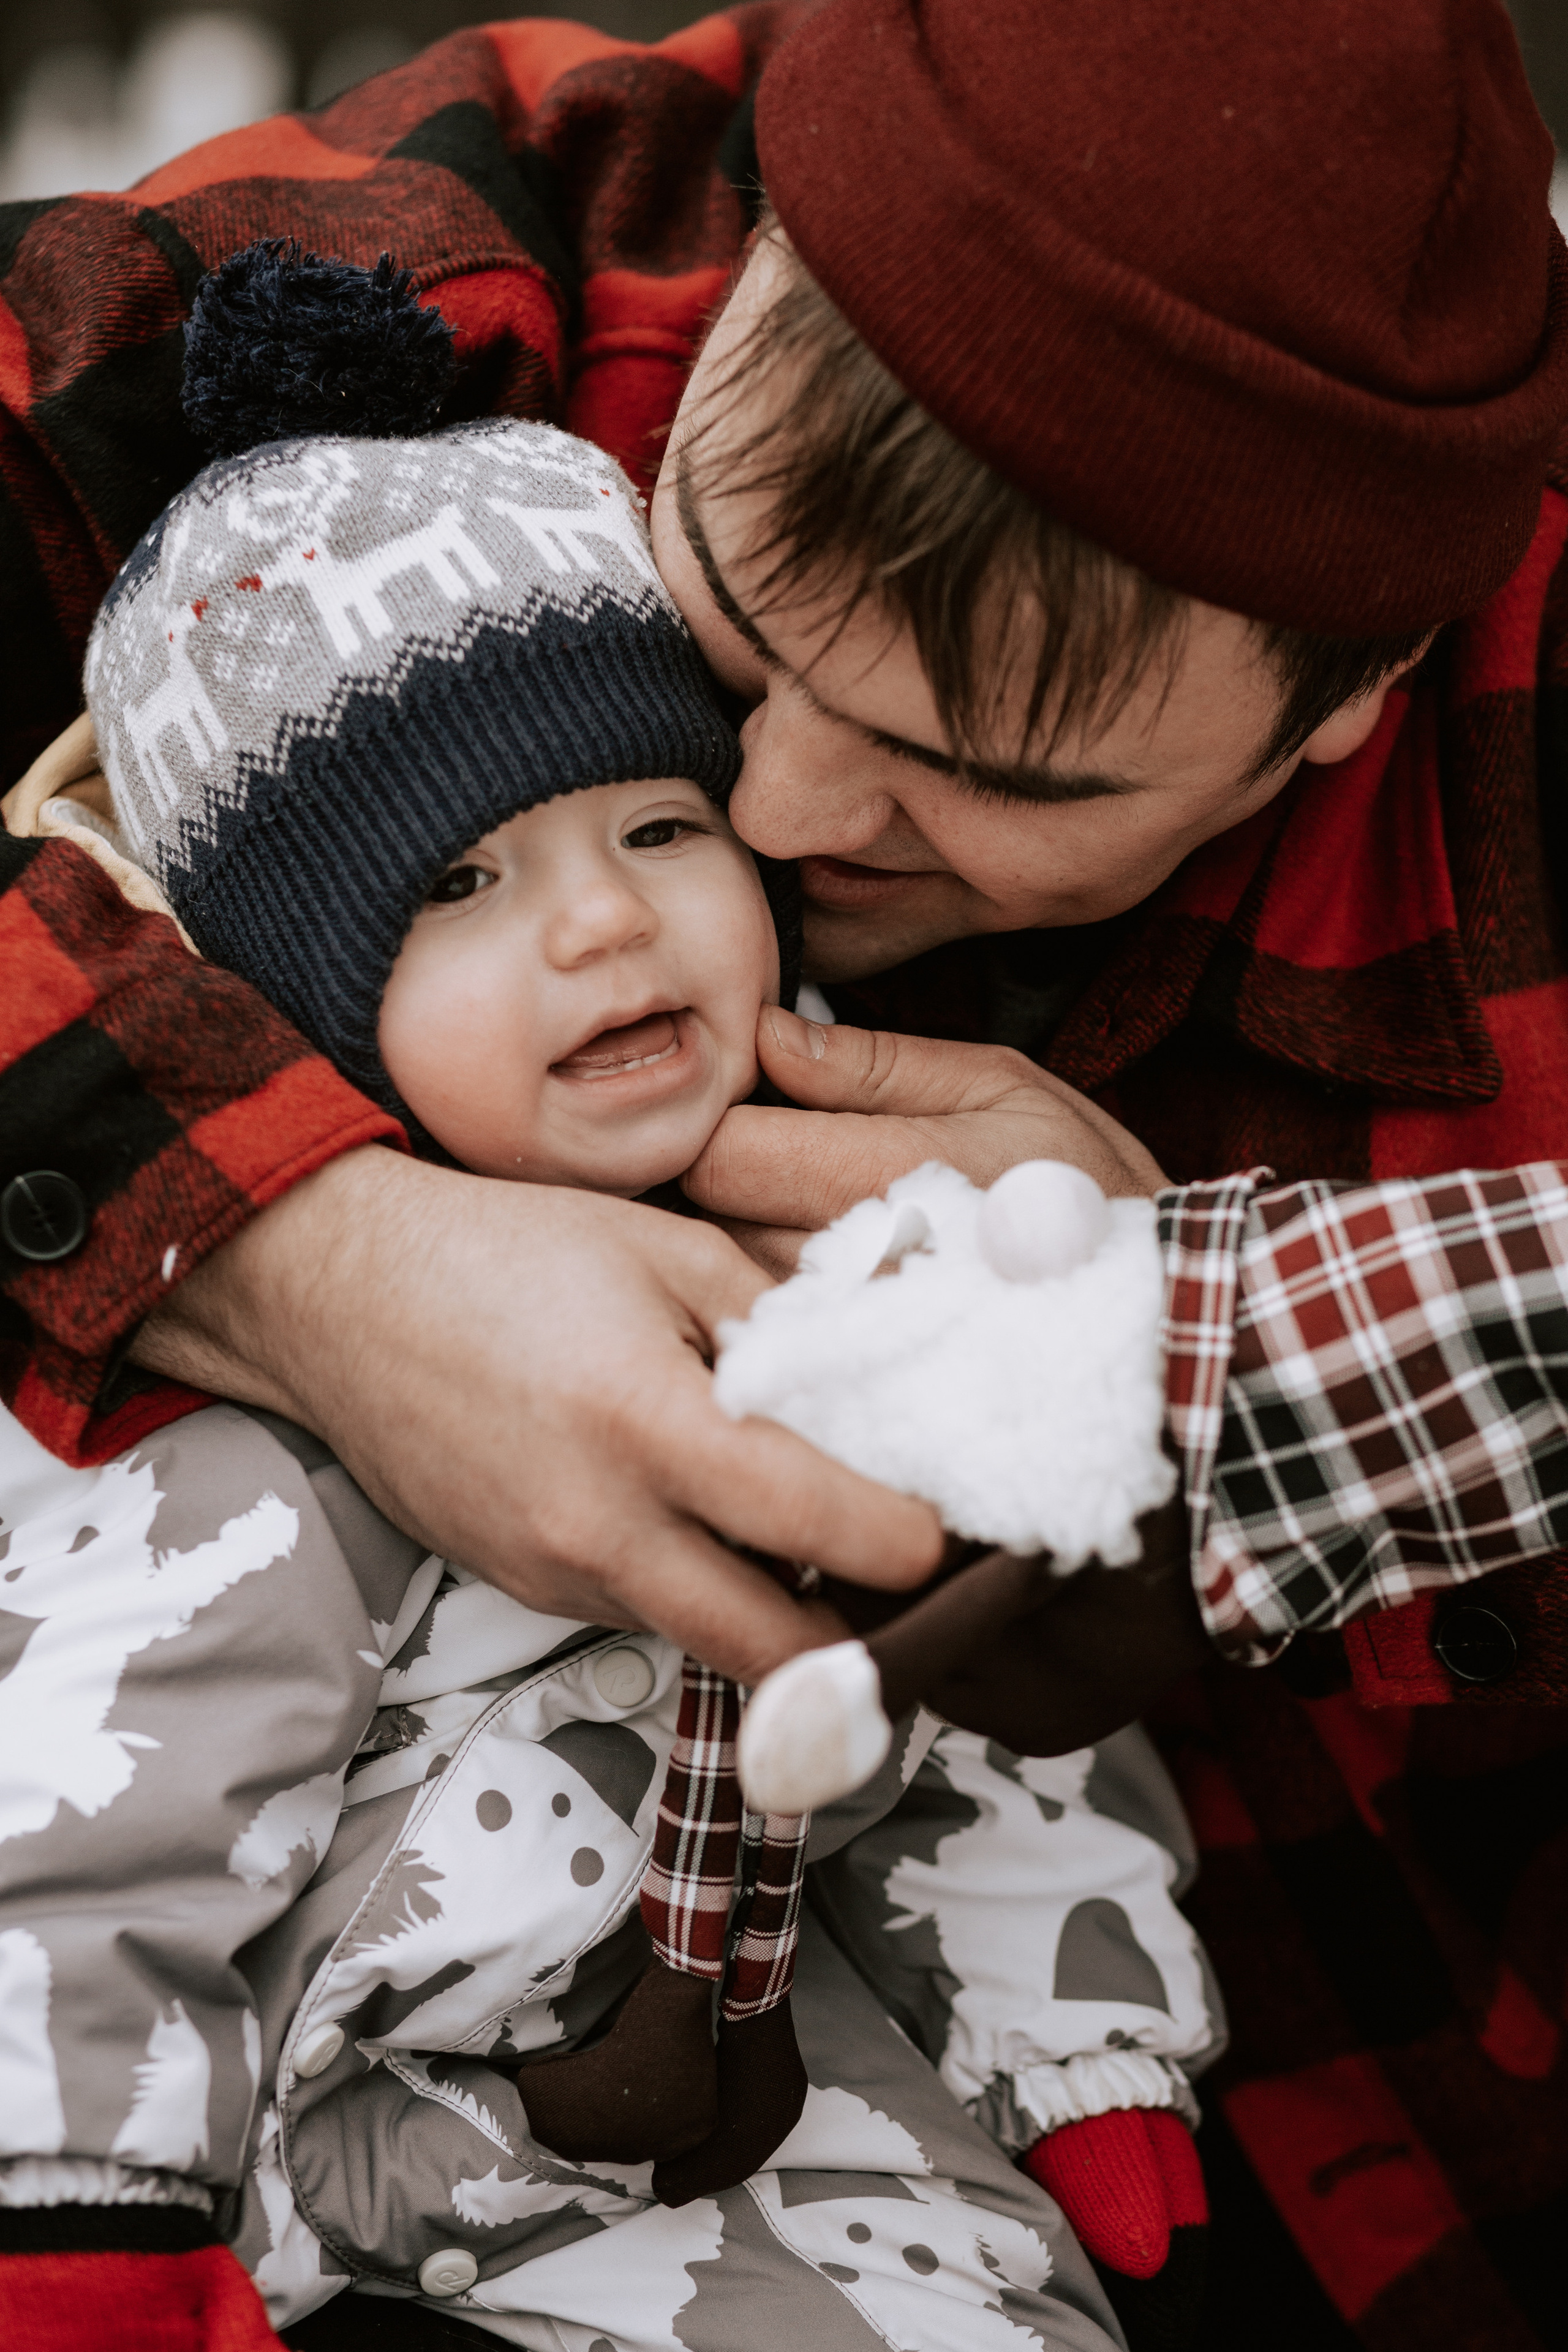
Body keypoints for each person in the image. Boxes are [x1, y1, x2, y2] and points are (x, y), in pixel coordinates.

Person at [0, 2, 1565, 2343]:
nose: (788, 817)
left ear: (1359, 685)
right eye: (730, 595)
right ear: (754, 271)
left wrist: (1208, 1397)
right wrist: (310, 1242)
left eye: (1001, 777)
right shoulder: (439, 275)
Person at [0, 287, 1218, 2352]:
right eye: (455, 892)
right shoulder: (256, 1409)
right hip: (294, 2108)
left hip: (726, 2106)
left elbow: (993, 1698)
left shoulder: (855, 1269)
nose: (600, 917)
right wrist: (81, 2213)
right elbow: (91, 1826)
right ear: (305, 1003)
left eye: (662, 827)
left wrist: (1081, 2046)